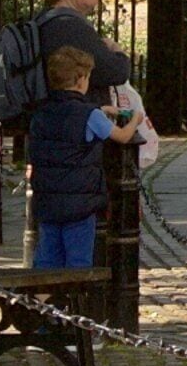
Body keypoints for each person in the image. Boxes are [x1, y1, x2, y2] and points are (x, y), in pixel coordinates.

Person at [33, 0, 158, 161]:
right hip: (79, 144)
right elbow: (114, 71)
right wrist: (117, 51)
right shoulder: (69, 26)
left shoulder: (47, 20)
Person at [25, 45, 118, 269]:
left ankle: (43, 300)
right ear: (81, 80)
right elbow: (121, 136)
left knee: (47, 257)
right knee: (79, 259)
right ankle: (76, 301)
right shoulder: (89, 113)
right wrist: (134, 119)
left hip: (47, 199)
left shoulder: (41, 113)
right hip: (80, 203)